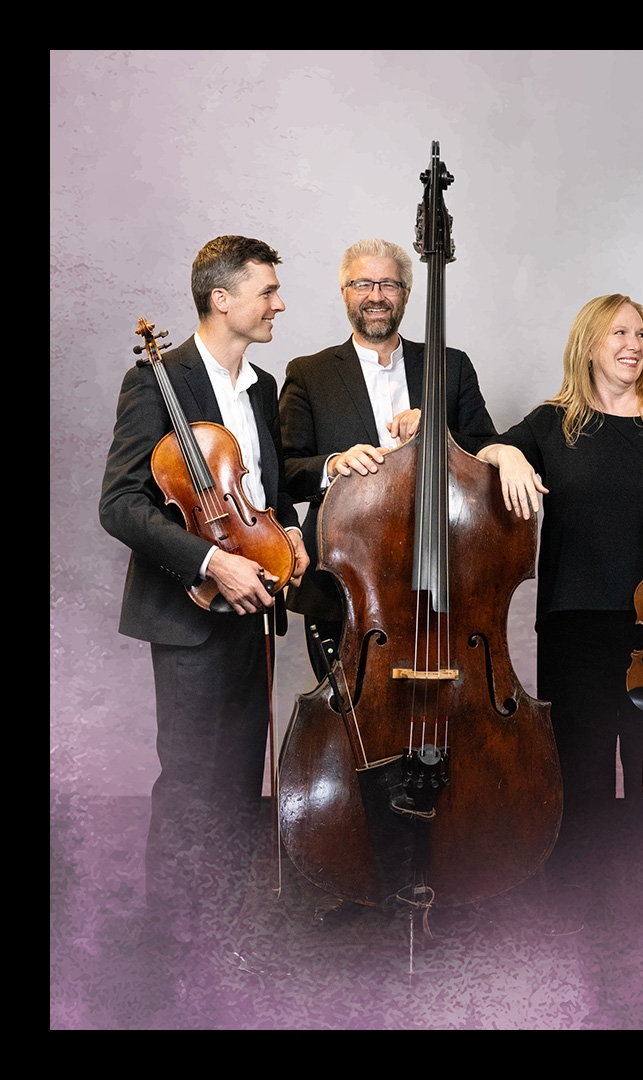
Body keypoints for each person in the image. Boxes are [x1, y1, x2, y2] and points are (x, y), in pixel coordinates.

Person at [99, 235, 310, 976]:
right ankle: (169, 955)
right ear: (222, 299)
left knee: (235, 785)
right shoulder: (159, 380)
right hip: (187, 613)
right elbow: (120, 505)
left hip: (249, 612)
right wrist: (210, 559)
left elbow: (260, 498)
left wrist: (286, 533)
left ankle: (221, 943)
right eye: (268, 291)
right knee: (190, 786)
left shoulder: (261, 385)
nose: (279, 303)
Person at [478, 294, 643, 870]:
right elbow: (485, 453)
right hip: (578, 623)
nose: (633, 346)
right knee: (581, 761)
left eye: (640, 334)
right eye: (619, 334)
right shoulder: (552, 423)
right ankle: (581, 885)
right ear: (589, 345)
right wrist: (510, 456)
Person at [279, 237, 496, 676]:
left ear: (407, 294)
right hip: (344, 575)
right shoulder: (309, 372)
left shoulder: (450, 367)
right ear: (344, 292)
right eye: (362, 284)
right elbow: (283, 470)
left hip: (439, 571)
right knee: (348, 723)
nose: (375, 296)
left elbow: (487, 454)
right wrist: (334, 464)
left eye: (389, 285)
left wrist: (440, 433)